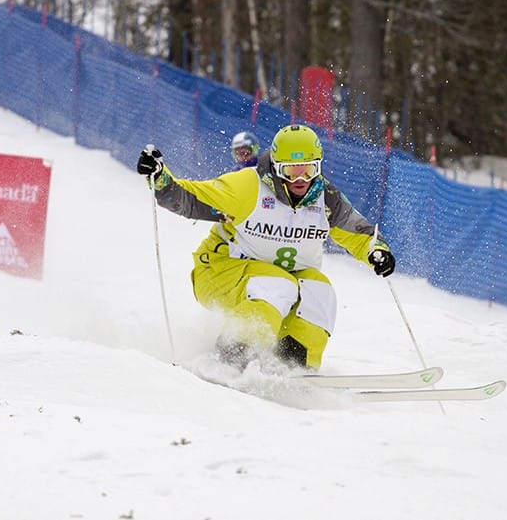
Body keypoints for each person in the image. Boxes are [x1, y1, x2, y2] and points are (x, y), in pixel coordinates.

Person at [137, 124, 395, 372]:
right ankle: (232, 356)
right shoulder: (249, 187)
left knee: (320, 292)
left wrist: (377, 252)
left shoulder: (325, 200)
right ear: (275, 166)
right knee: (277, 284)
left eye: (309, 169)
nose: (301, 179)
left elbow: (359, 234)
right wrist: (161, 179)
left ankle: (293, 365)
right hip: (220, 272)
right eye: (291, 171)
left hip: (276, 281)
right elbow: (191, 198)